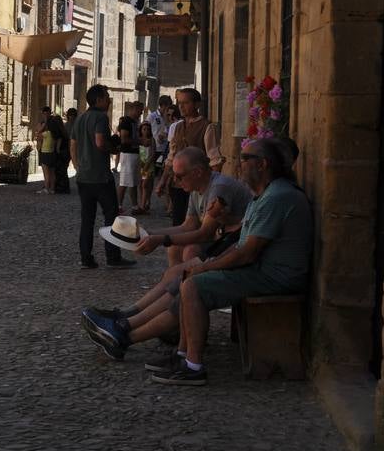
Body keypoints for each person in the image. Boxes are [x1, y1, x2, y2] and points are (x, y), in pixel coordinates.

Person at [83, 138, 312, 385]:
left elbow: (245, 252)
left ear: (263, 165)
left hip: (275, 276)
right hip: (262, 269)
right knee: (187, 275)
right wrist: (202, 262)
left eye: (245, 158)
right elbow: (240, 243)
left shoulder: (276, 197)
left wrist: (205, 266)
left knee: (193, 285)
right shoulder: (265, 195)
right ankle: (164, 347)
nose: (239, 163)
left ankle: (192, 365)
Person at [79, 148, 255, 357]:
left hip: (231, 252)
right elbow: (188, 225)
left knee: (184, 277)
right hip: (225, 248)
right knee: (177, 272)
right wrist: (149, 235)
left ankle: (126, 328)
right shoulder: (198, 188)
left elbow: (203, 233)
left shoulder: (219, 188)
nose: (176, 182)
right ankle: (125, 318)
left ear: (198, 171)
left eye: (179, 176)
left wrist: (161, 240)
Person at [74, 85, 135, 269]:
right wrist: (113, 148)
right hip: (100, 176)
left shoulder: (81, 118)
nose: (109, 100)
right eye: (107, 97)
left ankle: (86, 258)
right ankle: (113, 256)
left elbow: (72, 145)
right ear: (99, 99)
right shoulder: (100, 117)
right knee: (111, 216)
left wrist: (78, 167)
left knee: (87, 219)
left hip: (83, 177)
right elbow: (100, 142)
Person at [157, 88, 223, 227]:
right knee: (178, 223)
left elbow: (215, 160)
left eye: (185, 103)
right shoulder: (178, 127)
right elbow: (171, 157)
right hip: (178, 185)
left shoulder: (207, 127)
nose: (181, 106)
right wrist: (163, 180)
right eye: (179, 103)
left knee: (195, 226)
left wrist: (213, 189)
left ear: (196, 105)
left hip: (197, 185)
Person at [115, 102, 142, 213]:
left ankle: (135, 206)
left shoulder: (134, 122)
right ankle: (118, 206)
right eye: (139, 111)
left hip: (134, 154)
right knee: (124, 182)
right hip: (128, 154)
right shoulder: (126, 121)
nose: (140, 113)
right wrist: (141, 141)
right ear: (133, 109)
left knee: (133, 182)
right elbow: (124, 139)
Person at [47, 111, 71, 194]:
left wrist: (56, 151)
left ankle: (61, 188)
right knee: (63, 171)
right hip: (66, 153)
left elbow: (58, 143)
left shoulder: (58, 132)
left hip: (61, 153)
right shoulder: (64, 131)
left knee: (60, 171)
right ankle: (64, 188)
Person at [137, 121, 156, 214]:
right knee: (141, 185)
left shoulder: (152, 140)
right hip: (140, 165)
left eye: (148, 129)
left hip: (148, 166)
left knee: (145, 185)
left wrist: (147, 164)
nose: (146, 131)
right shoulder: (139, 140)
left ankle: (143, 205)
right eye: (144, 129)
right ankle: (144, 201)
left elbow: (153, 154)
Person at [36, 112, 57, 194]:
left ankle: (46, 189)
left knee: (46, 173)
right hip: (52, 153)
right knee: (52, 173)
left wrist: (42, 127)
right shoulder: (54, 133)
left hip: (45, 153)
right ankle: (52, 189)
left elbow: (38, 135)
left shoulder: (46, 133)